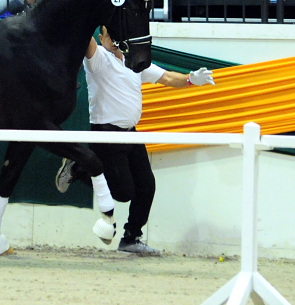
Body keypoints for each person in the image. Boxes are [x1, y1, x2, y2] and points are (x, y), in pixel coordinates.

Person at [55, 25, 215, 254]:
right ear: (101, 38)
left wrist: (191, 80)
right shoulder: (98, 58)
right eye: (108, 36)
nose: (113, 40)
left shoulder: (135, 62)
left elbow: (168, 78)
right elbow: (84, 37)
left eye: (116, 35)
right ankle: (79, 168)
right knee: (123, 193)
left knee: (147, 186)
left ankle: (131, 238)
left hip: (130, 133)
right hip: (106, 135)